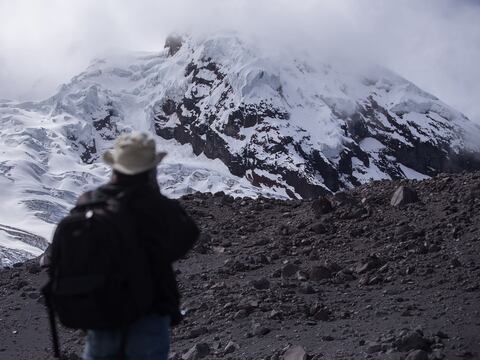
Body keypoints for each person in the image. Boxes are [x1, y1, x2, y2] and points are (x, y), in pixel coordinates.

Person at [79, 132, 199, 360]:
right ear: (150, 170)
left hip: (101, 316)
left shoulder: (90, 202)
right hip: (149, 314)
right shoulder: (157, 207)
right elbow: (188, 235)